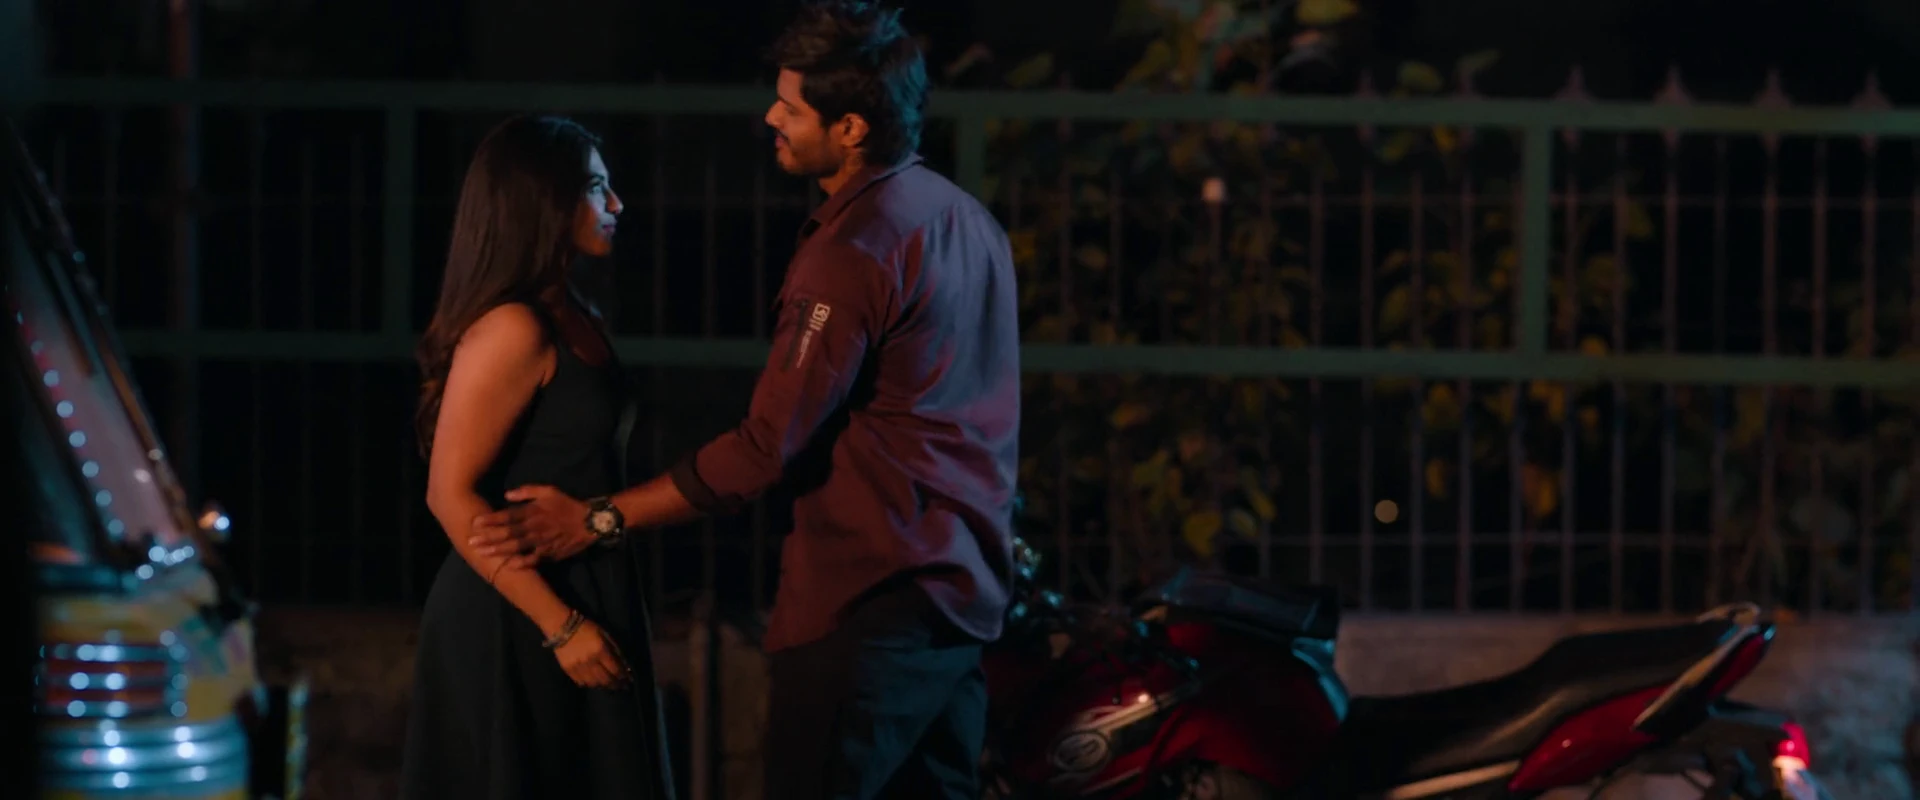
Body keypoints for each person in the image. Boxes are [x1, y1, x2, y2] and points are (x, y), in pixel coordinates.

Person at [467, 3, 1022, 798]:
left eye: (792, 108)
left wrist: (597, 519)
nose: (771, 117)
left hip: (864, 608)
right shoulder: (967, 221)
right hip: (961, 604)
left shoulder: (853, 251)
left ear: (851, 129)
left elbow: (765, 448)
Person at [401, 114, 674, 800]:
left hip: (584, 590)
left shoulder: (574, 312)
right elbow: (448, 494)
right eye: (596, 188)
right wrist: (561, 625)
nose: (617, 205)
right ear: (541, 203)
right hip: (517, 615)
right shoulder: (513, 327)